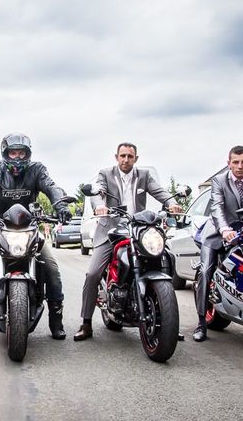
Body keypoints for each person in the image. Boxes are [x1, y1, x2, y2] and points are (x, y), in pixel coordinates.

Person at [0, 133, 72, 340]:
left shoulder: (37, 170)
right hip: (0, 226)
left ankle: (56, 320)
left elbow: (52, 187)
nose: (18, 158)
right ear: (5, 153)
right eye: (13, 152)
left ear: (28, 154)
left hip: (30, 228)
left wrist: (61, 205)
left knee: (52, 268)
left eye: (22, 153)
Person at [74, 142, 182, 341]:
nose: (126, 160)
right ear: (116, 157)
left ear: (136, 159)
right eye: (122, 156)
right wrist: (100, 207)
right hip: (110, 230)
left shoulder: (144, 176)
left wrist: (172, 203)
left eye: (130, 157)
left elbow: (159, 191)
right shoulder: (105, 174)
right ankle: (86, 323)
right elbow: (98, 193)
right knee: (93, 274)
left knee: (165, 258)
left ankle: (168, 321)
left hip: (137, 229)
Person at [193, 145, 243, 342]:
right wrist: (225, 229)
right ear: (228, 163)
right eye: (235, 162)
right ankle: (201, 323)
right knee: (205, 271)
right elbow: (217, 207)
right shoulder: (219, 181)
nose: (240, 166)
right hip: (219, 233)